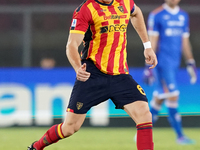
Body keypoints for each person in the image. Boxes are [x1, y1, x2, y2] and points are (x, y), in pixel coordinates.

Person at [27, 0, 157, 150]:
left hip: (120, 74)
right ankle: (36, 147)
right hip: (92, 74)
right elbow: (71, 45)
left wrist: (147, 46)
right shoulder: (86, 9)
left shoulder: (125, 2)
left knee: (144, 114)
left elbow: (136, 13)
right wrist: (78, 68)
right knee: (70, 127)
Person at [143, 0, 197, 145]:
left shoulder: (183, 16)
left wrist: (190, 62)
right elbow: (152, 41)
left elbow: (185, 42)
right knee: (173, 95)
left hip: (174, 64)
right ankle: (180, 136)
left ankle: (141, 134)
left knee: (160, 98)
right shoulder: (157, 15)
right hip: (161, 64)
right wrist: (148, 66)